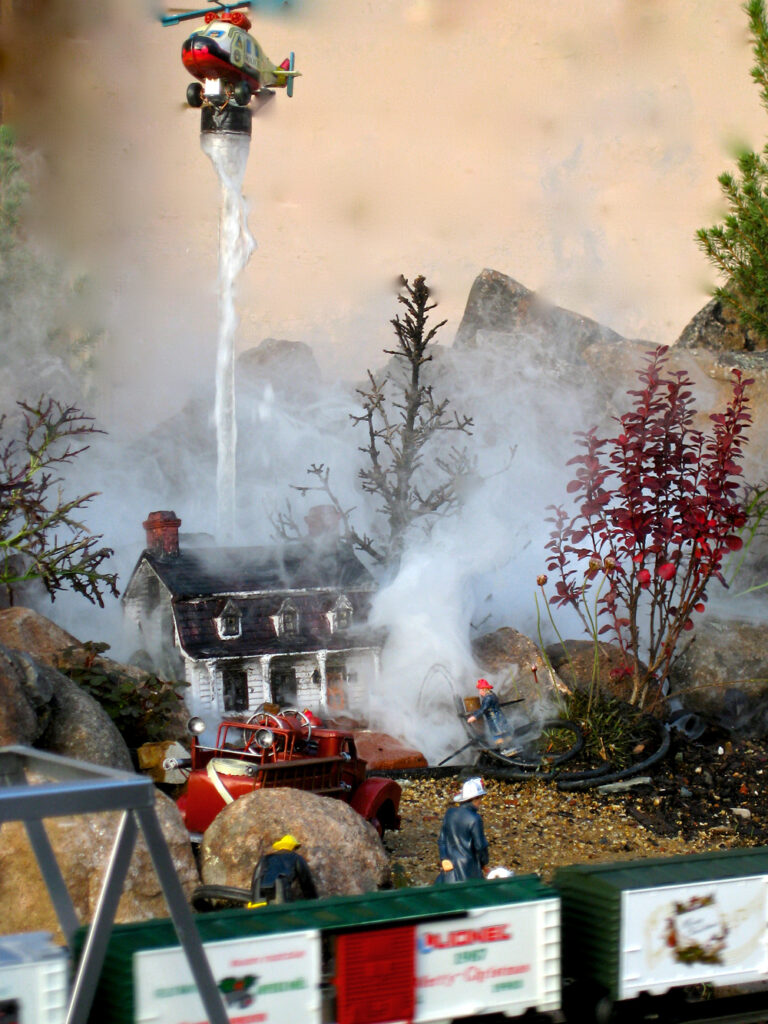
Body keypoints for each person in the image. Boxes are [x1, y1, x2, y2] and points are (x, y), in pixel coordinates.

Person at [436, 777, 489, 882]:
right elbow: (480, 846)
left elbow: (442, 840)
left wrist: (444, 858)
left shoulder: (449, 814)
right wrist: (484, 862)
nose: (481, 802)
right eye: (480, 798)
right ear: (475, 798)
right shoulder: (475, 819)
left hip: (449, 871)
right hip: (469, 870)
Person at [249, 834, 318, 904]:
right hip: (281, 894)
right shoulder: (296, 858)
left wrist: (253, 897)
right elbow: (306, 882)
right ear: (293, 847)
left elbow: (256, 878)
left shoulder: (265, 858)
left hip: (259, 895)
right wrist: (313, 900)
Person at [467, 678, 514, 752]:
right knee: (505, 733)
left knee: (497, 736)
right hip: (500, 717)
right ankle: (511, 746)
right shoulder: (492, 695)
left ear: (484, 689)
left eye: (480, 690)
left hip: (494, 720)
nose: (479, 693)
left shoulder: (487, 698)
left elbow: (483, 709)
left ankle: (504, 749)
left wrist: (474, 717)